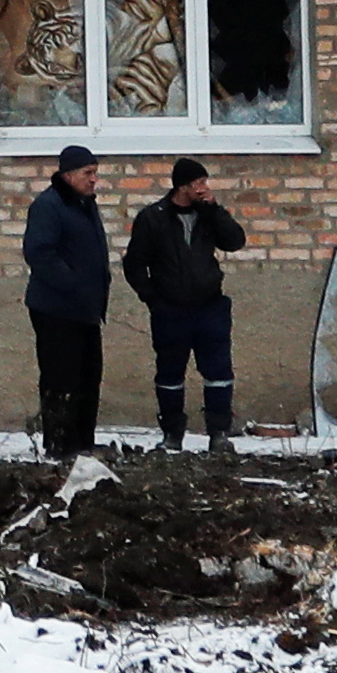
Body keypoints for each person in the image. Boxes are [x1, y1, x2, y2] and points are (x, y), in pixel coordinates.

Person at [123, 155, 255, 454]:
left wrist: (214, 209)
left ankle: (218, 432)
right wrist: (153, 300)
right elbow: (134, 265)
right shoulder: (153, 217)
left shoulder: (208, 213)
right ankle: (172, 433)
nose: (203, 188)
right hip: (170, 310)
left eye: (204, 182)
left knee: (218, 371)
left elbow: (235, 241)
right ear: (182, 187)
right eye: (198, 183)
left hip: (210, 307)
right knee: (170, 373)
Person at [21, 142, 111, 463]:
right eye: (88, 173)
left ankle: (83, 443)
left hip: (85, 311)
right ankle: (59, 446)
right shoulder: (49, 206)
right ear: (68, 175)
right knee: (62, 378)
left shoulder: (85, 204)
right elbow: (40, 254)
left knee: (88, 377)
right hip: (56, 310)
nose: (93, 180)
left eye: (95, 174)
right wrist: (73, 285)